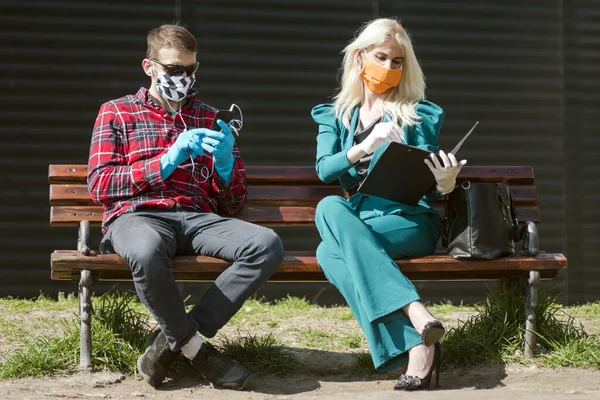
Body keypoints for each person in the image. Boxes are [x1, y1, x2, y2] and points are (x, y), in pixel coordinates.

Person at [87, 24, 284, 390]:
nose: (184, 78)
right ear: (149, 67)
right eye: (174, 70)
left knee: (265, 244)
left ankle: (169, 343)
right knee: (145, 252)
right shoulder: (116, 112)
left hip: (196, 217)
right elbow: (100, 184)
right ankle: (196, 350)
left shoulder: (209, 117)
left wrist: (225, 167)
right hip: (137, 215)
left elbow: (232, 202)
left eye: (190, 70)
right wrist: (166, 160)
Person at [311, 18, 466, 391]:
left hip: (410, 221)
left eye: (398, 61)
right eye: (382, 57)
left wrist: (444, 183)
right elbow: (324, 170)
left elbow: (428, 184)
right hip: (360, 220)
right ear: (360, 58)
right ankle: (418, 331)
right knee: (328, 209)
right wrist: (365, 145)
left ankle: (410, 338)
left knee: (327, 253)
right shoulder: (335, 115)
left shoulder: (419, 113)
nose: (389, 67)